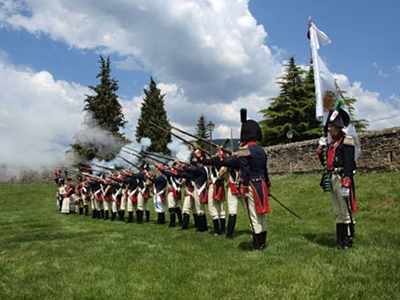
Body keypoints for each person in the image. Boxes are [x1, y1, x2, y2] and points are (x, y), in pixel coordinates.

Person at [317, 109, 357, 250]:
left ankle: (347, 240)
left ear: (339, 126)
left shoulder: (346, 140)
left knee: (345, 211)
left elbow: (349, 162)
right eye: (329, 126)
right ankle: (339, 241)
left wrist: (347, 179)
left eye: (331, 126)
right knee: (337, 211)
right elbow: (326, 163)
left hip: (341, 178)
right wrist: (321, 150)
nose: (329, 128)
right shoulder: (331, 143)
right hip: (331, 178)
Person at [238, 109, 271, 250]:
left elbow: (244, 172)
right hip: (262, 184)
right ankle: (263, 242)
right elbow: (265, 170)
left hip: (251, 184)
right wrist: (268, 186)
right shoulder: (261, 150)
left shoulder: (245, 150)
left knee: (253, 216)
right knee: (261, 215)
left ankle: (257, 245)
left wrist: (243, 188)